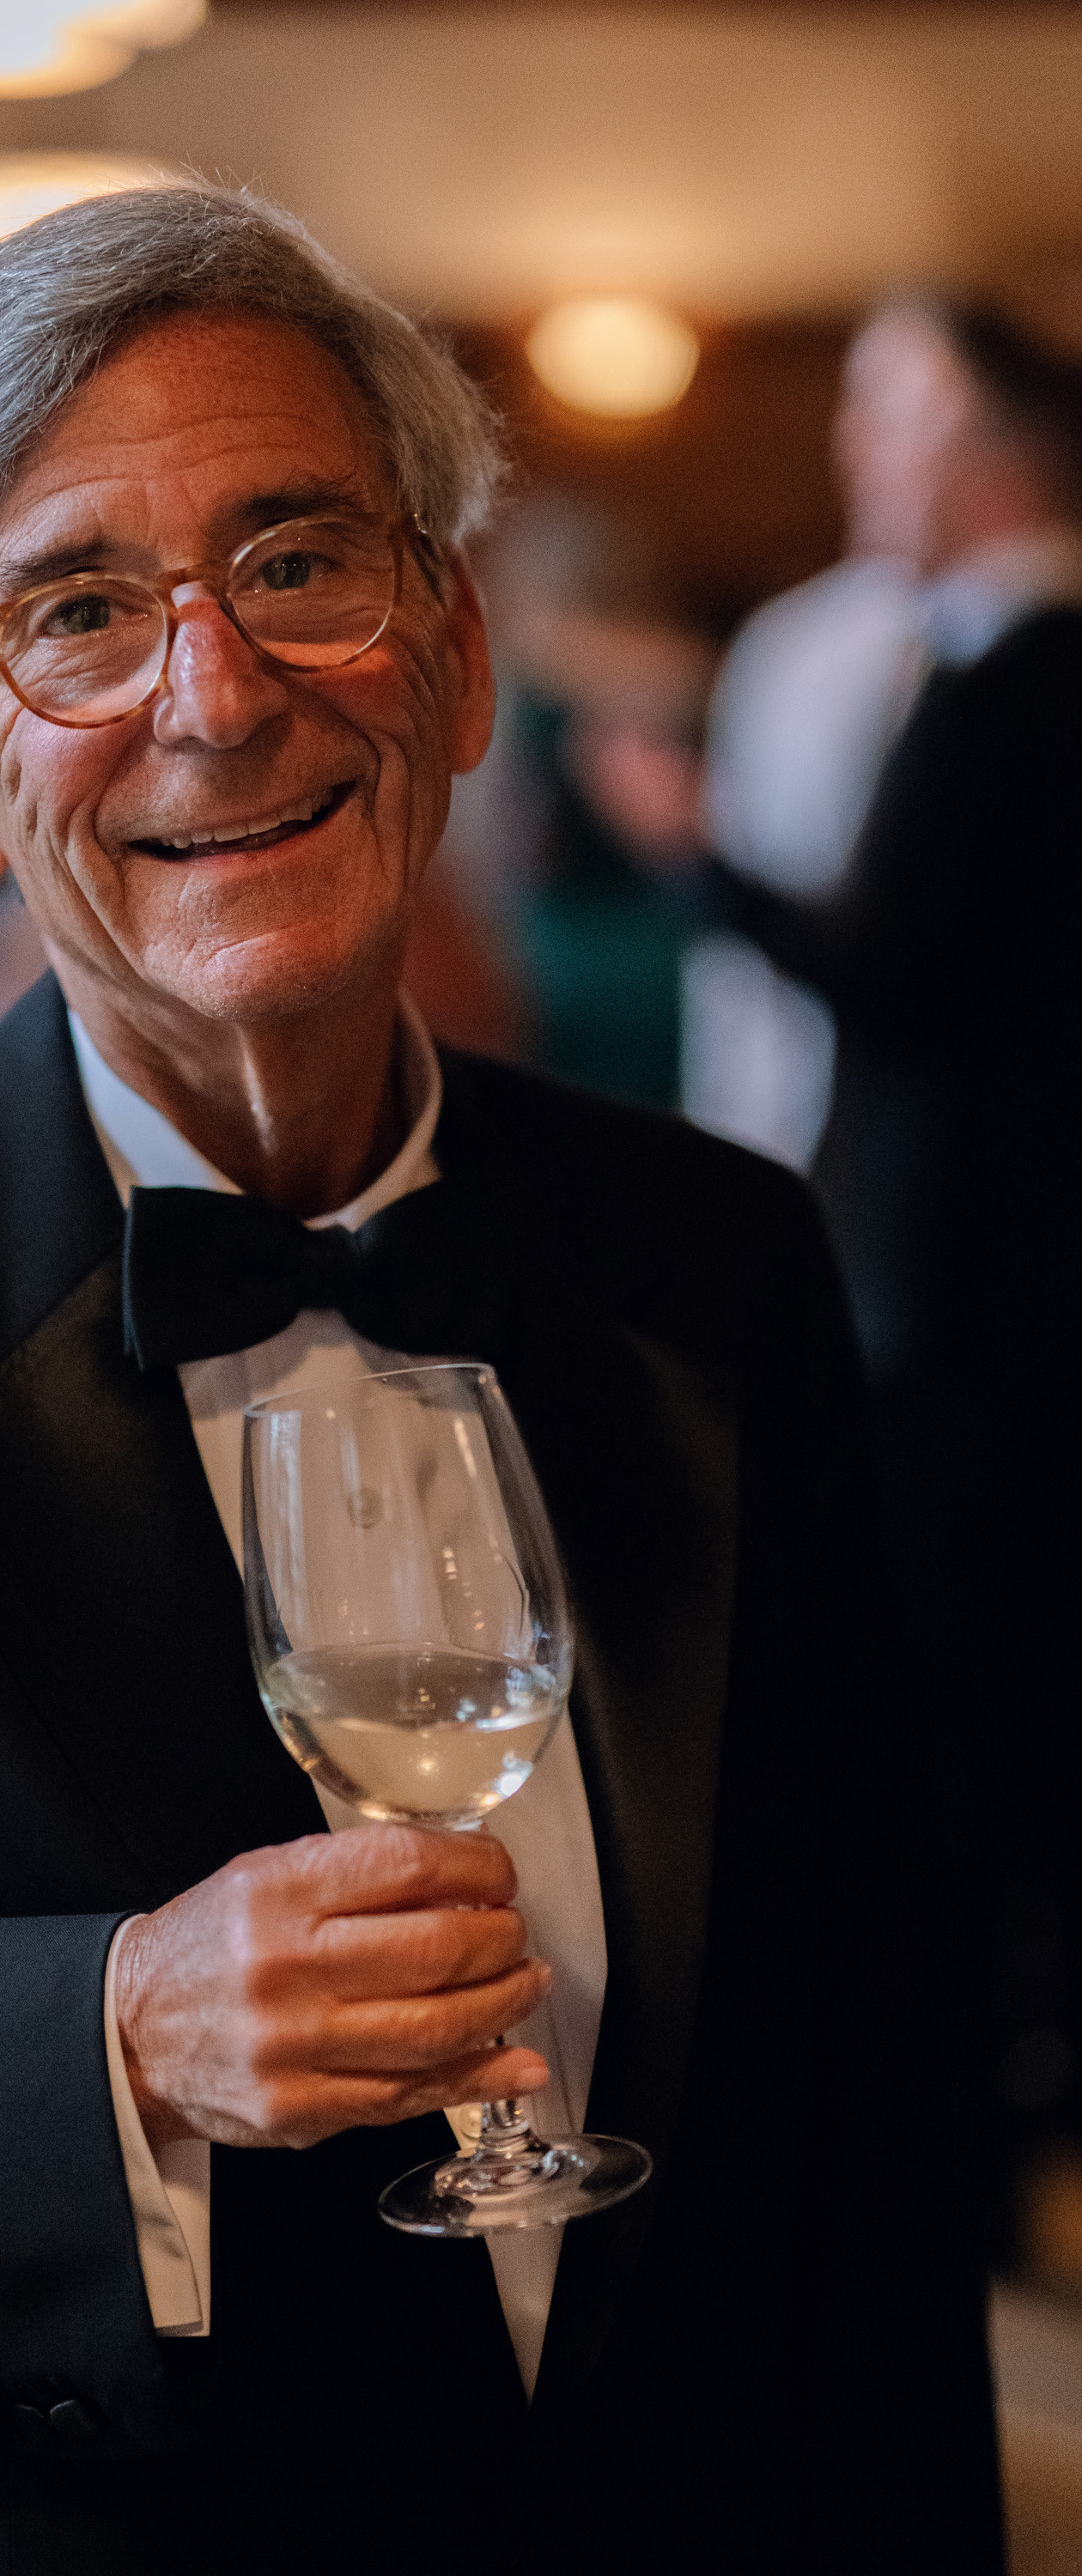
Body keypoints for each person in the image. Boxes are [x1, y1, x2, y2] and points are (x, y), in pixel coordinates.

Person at [0, 188, 1000, 2574]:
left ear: (453, 656)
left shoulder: (722, 1258)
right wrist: (105, 2045)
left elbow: (873, 2080)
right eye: (76, 615)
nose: (217, 694)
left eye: (300, 562)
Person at [708, 299, 1082, 2218]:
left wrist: (696, 850)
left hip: (976, 1305)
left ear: (988, 445)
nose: (861, 457)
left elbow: (903, 976)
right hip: (998, 1296)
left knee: (965, 1713)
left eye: (890, 416)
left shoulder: (1019, 669)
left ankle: (969, 2131)